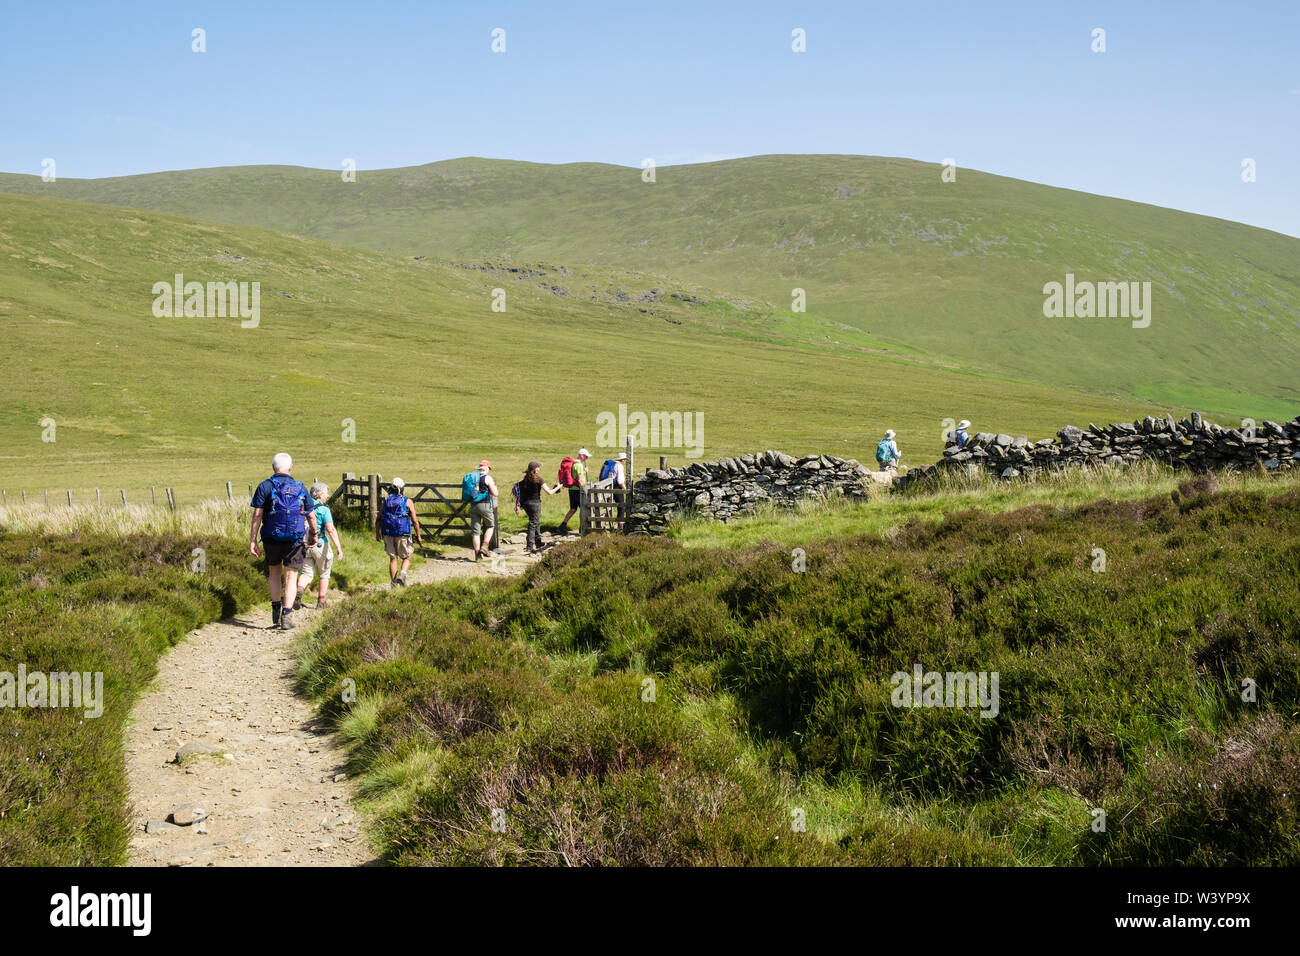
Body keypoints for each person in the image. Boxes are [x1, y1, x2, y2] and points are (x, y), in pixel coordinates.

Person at [249, 452, 318, 630]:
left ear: (273, 468)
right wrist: (314, 534)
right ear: (290, 468)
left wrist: (253, 540)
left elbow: (257, 515)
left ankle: (275, 607)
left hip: (271, 537)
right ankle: (287, 615)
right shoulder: (300, 488)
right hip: (294, 539)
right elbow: (310, 514)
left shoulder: (265, 486)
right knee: (291, 575)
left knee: (274, 572)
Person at [295, 482, 343, 609]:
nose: (327, 495)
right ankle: (321, 602)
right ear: (320, 494)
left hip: (304, 545)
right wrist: (338, 547)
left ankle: (299, 590)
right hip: (320, 544)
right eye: (326, 493)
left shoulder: (303, 506)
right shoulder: (324, 509)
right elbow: (331, 529)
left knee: (306, 573)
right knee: (324, 574)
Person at [377, 477, 421, 587]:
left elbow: (378, 519)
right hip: (403, 533)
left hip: (388, 533)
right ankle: (402, 575)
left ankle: (393, 583)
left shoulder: (386, 501)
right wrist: (419, 536)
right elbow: (415, 521)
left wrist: (377, 533)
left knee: (393, 558)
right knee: (406, 557)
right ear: (402, 488)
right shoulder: (407, 501)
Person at [518, 461, 561, 553]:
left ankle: (538, 542)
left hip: (526, 504)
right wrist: (558, 487)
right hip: (535, 504)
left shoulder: (526, 479)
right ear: (535, 469)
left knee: (535, 522)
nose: (539, 468)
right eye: (538, 467)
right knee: (533, 523)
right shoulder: (539, 480)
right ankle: (529, 545)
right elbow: (549, 492)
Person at [465, 460, 499, 561]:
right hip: (485, 505)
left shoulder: (472, 478)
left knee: (475, 532)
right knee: (490, 525)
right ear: (487, 468)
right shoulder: (487, 478)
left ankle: (477, 555)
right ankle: (485, 546)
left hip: (473, 506)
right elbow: (495, 493)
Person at [557, 448, 591, 535]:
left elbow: (574, 475)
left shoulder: (573, 464)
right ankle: (582, 527)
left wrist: (584, 471)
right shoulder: (579, 465)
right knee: (583, 509)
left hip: (571, 489)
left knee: (573, 509)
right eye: (586, 457)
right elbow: (580, 480)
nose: (587, 458)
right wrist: (584, 489)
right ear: (582, 456)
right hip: (578, 490)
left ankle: (563, 525)